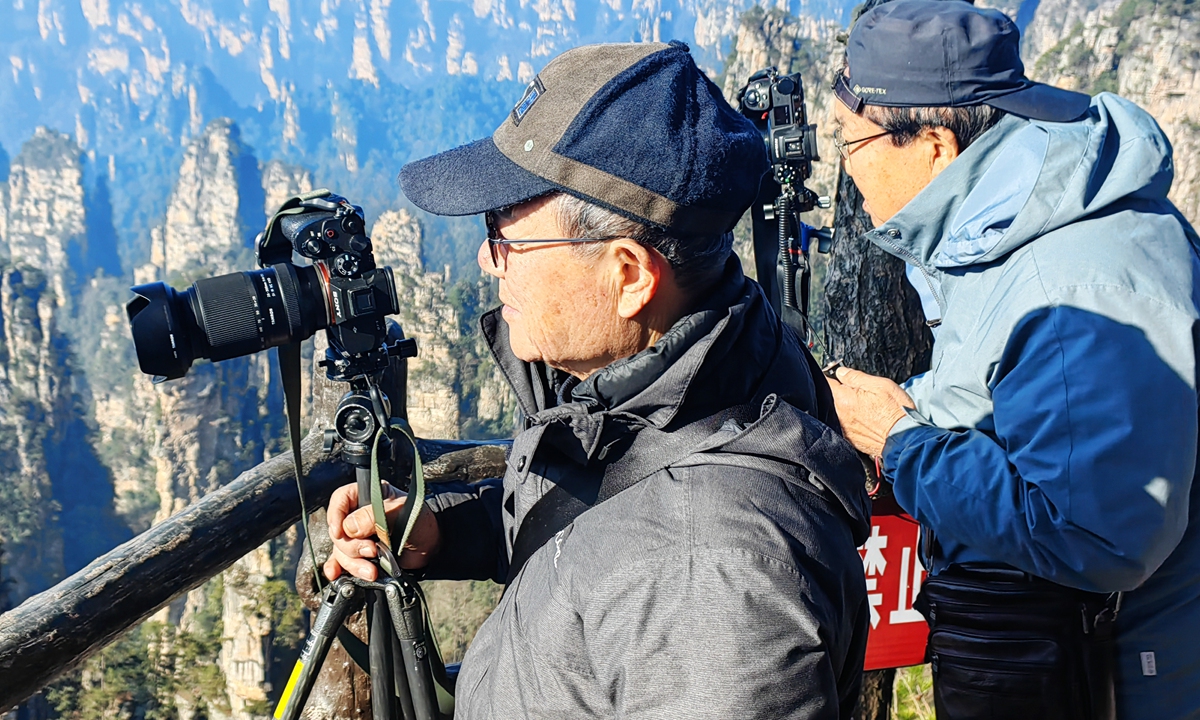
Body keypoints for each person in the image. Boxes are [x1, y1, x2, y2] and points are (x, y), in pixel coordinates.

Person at [323, 41, 872, 719]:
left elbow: (659, 552)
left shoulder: (718, 580)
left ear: (629, 275)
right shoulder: (661, 381)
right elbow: (597, 522)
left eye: (505, 235)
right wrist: (442, 531)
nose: (487, 260)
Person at [825, 1, 1200, 718]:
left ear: (934, 143)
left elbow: (1099, 534)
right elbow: (1015, 391)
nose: (847, 171)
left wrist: (900, 442)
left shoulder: (1067, 278)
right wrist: (914, 407)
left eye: (850, 144)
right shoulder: (1008, 226)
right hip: (1049, 656)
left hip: (1109, 680)